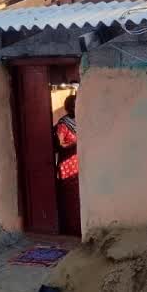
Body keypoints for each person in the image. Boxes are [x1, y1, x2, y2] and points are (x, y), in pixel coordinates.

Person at [54, 93, 81, 235]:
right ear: (68, 107)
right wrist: (76, 143)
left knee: (80, 198)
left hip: (79, 165)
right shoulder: (63, 124)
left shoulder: (81, 121)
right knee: (70, 200)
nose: (75, 108)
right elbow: (59, 145)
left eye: (77, 105)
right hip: (67, 166)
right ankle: (71, 230)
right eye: (73, 105)